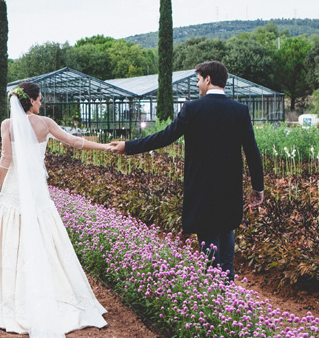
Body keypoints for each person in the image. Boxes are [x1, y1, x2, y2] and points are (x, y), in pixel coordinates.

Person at [0, 81, 110, 338]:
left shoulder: (7, 125)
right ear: (33, 100)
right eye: (40, 99)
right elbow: (74, 142)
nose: (41, 102)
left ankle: (12, 300)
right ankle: (56, 296)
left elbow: (6, 160)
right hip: (37, 194)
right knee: (46, 240)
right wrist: (107, 147)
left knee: (11, 242)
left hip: (14, 191)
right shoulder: (45, 123)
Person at [110, 61, 264, 281]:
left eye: (199, 80)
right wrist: (258, 187)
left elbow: (164, 137)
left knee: (210, 254)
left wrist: (129, 146)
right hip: (229, 191)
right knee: (226, 242)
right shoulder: (240, 111)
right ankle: (227, 294)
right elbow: (252, 151)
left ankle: (214, 297)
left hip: (203, 191)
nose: (198, 85)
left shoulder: (193, 109)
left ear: (208, 79)